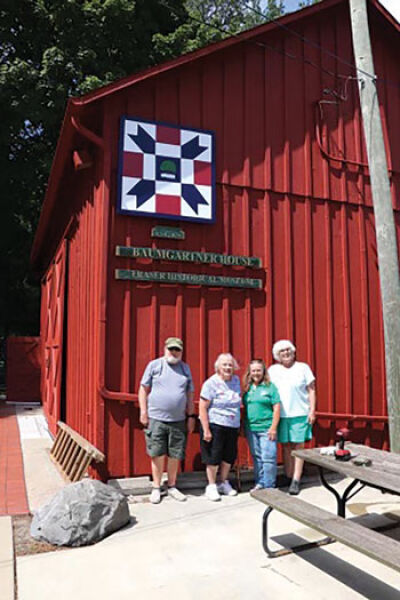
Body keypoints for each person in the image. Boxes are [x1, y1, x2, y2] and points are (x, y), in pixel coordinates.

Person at [139, 337, 196, 504]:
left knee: (175, 454)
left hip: (178, 420)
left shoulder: (185, 368)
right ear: (165, 349)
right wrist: (144, 411)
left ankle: (172, 486)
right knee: (156, 453)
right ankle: (156, 487)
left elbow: (190, 394)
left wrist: (191, 416)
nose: (174, 352)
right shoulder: (154, 365)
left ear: (181, 351)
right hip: (156, 418)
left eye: (177, 349)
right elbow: (143, 389)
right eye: (171, 349)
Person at [268, 340, 316, 495]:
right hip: (280, 415)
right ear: (277, 355)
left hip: (300, 413)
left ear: (293, 351)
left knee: (298, 447)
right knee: (286, 446)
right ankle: (288, 476)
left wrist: (312, 411)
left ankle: (296, 479)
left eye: (288, 350)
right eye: (282, 351)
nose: (286, 353)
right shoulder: (273, 370)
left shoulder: (303, 368)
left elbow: (312, 390)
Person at [199, 353, 241, 501]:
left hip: (232, 425)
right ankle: (211, 486)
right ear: (218, 367)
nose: (228, 367)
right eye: (225, 365)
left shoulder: (236, 381)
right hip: (215, 424)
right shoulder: (211, 383)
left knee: (229, 456)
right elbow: (203, 407)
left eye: (230, 365)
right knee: (213, 457)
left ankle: (223, 482)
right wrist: (206, 429)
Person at [242, 359, 281, 490]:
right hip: (251, 428)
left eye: (259, 370)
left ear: (263, 371)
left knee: (268, 458)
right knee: (257, 457)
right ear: (250, 372)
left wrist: (273, 428)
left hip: (267, 428)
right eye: (253, 370)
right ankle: (260, 482)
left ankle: (269, 486)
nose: (256, 373)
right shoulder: (248, 388)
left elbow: (276, 407)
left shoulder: (270, 387)